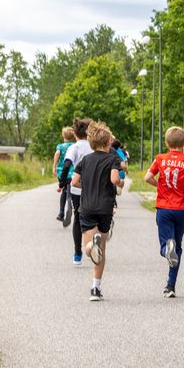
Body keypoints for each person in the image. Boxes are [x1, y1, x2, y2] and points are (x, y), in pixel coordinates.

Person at [144, 126, 184, 298]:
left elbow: (147, 177)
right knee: (178, 247)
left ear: (166, 143)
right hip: (181, 208)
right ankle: (170, 286)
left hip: (164, 207)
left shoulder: (160, 158)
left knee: (166, 246)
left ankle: (166, 250)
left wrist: (159, 186)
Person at [71, 121, 124, 301]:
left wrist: (87, 185)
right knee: (101, 250)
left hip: (86, 207)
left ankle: (90, 245)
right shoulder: (113, 159)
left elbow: (74, 181)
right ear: (109, 142)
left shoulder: (85, 160)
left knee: (90, 250)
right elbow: (115, 178)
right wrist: (120, 184)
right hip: (105, 207)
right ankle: (95, 288)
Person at [58, 118, 93, 266]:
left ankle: (77, 253)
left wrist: (61, 181)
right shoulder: (93, 146)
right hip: (93, 188)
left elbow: (66, 165)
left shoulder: (74, 148)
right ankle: (92, 244)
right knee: (93, 216)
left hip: (77, 188)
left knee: (78, 219)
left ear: (75, 133)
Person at [53, 127, 75, 227]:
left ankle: (61, 213)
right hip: (73, 172)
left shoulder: (60, 146)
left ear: (63, 136)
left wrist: (54, 166)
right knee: (70, 191)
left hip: (62, 172)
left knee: (64, 191)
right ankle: (70, 203)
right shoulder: (74, 146)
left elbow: (57, 154)